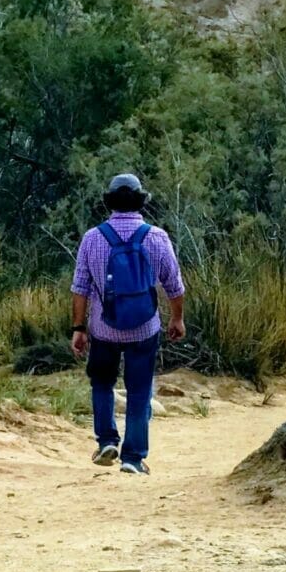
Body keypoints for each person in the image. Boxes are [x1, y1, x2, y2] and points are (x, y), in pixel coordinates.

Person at [70, 172, 186, 474]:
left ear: (110, 202)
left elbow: (80, 288)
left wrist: (78, 328)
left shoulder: (93, 238)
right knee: (139, 390)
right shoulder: (157, 237)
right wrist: (177, 318)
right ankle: (133, 458)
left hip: (103, 327)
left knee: (102, 383)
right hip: (144, 327)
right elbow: (174, 285)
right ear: (139, 202)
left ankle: (106, 440)